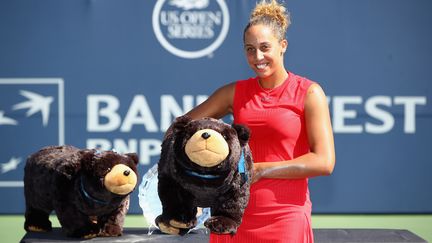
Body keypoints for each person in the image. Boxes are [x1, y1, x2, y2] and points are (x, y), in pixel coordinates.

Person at [185, 0, 335, 242]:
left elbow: (324, 162)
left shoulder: (309, 92)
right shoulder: (234, 93)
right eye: (250, 49)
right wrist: (200, 180)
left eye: (265, 47)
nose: (258, 56)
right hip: (232, 216)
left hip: (286, 215)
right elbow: (181, 129)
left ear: (283, 45)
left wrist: (263, 169)